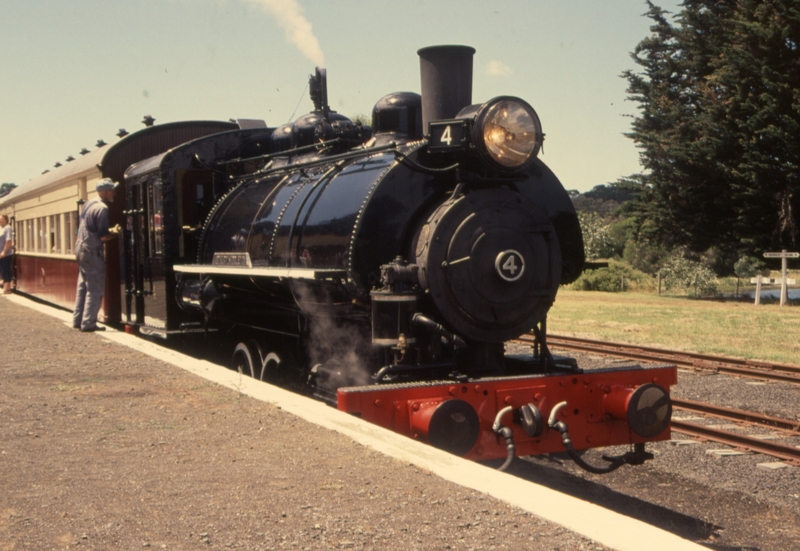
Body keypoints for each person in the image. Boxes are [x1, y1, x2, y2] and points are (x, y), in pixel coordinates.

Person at [72, 179, 121, 332]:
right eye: (112, 190)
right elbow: (103, 236)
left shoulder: (88, 204)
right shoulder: (102, 208)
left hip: (80, 247)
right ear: (105, 191)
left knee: (82, 286)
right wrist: (116, 233)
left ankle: (78, 319)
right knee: (95, 287)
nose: (114, 193)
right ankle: (89, 323)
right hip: (92, 250)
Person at [0, 214, 13, 294]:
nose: (0, 220)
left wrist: (4, 251)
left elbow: (8, 241)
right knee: (2, 270)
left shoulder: (8, 228)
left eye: (1, 219)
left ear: (6, 220)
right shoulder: (1, 228)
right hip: (0, 254)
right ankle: (5, 286)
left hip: (5, 254)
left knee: (5, 270)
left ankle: (7, 289)